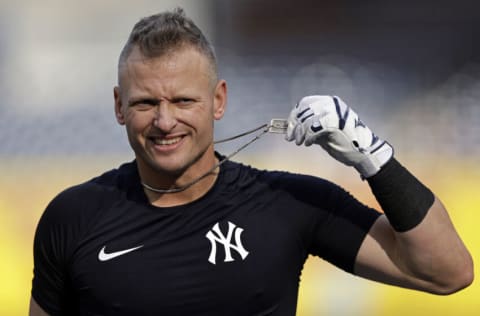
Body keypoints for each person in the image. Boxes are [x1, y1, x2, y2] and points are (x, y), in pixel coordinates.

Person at [30, 7, 473, 316]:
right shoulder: (73, 216)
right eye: (146, 102)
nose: (165, 121)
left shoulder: (288, 202)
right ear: (119, 106)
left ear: (218, 101)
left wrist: (371, 155)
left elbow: (447, 272)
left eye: (184, 100)